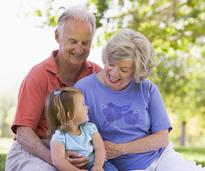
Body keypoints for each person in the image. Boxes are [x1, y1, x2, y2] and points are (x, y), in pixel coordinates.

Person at [74, 28, 205, 171]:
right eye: (111, 64)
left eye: (124, 70)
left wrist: (122, 149)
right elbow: (72, 130)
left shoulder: (147, 89)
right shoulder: (84, 88)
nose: (114, 73)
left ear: (137, 70)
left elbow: (162, 138)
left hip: (162, 158)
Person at [6, 6, 101, 171]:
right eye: (72, 41)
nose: (79, 49)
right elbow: (23, 132)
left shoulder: (97, 74)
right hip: (35, 150)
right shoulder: (38, 75)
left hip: (80, 147)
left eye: (85, 43)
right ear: (58, 36)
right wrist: (57, 159)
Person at [45, 87, 118, 171]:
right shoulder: (59, 137)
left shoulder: (90, 128)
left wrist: (98, 165)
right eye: (83, 105)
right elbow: (58, 161)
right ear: (70, 115)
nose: (87, 107)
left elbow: (100, 148)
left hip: (97, 164)